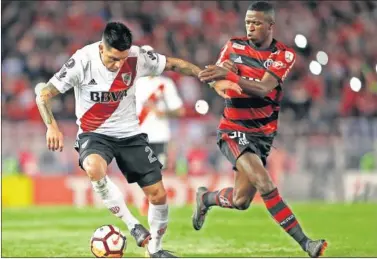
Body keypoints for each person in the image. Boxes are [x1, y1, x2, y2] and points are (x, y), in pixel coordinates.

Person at [35, 21, 240, 258]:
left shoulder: (137, 57)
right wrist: (52, 126)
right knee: (93, 167)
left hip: (130, 134)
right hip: (95, 134)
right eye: (113, 58)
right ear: (101, 48)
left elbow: (175, 64)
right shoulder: (82, 60)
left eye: (122, 58)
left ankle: (155, 250)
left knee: (159, 194)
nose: (118, 64)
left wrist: (210, 79)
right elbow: (44, 95)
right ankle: (133, 225)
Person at [192, 2, 328, 258]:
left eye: (256, 22)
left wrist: (231, 76)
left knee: (241, 201)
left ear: (270, 25)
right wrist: (221, 79)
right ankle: (306, 243)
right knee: (265, 183)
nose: (250, 27)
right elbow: (217, 78)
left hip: (262, 135)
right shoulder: (233, 46)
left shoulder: (283, 55)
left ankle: (206, 199)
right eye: (247, 22)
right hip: (233, 129)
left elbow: (264, 88)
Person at [135, 45, 185, 216]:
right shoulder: (134, 83)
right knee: (142, 169)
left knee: (156, 171)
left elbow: (180, 110)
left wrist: (163, 112)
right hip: (138, 133)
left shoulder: (165, 84)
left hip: (159, 134)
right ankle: (149, 200)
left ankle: (150, 202)